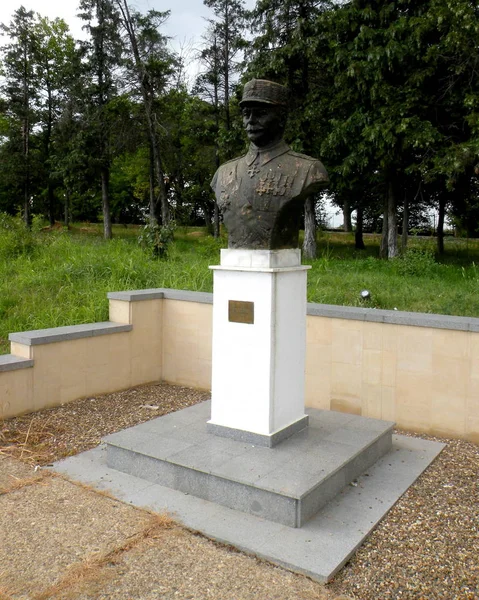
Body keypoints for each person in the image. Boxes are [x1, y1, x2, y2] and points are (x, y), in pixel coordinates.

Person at [211, 78, 329, 249]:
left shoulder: (308, 170)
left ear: (281, 118)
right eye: (246, 114)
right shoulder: (223, 173)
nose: (250, 121)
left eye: (260, 114)